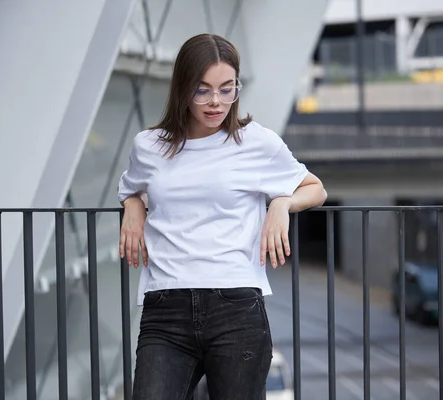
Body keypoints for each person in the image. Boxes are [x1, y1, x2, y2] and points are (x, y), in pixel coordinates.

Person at [117, 33, 327, 400]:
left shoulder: (255, 142)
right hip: (166, 312)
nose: (216, 102)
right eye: (203, 90)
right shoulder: (148, 146)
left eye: (227, 89)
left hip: (236, 309)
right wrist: (132, 203)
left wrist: (280, 204)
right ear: (182, 88)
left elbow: (315, 189)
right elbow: (130, 184)